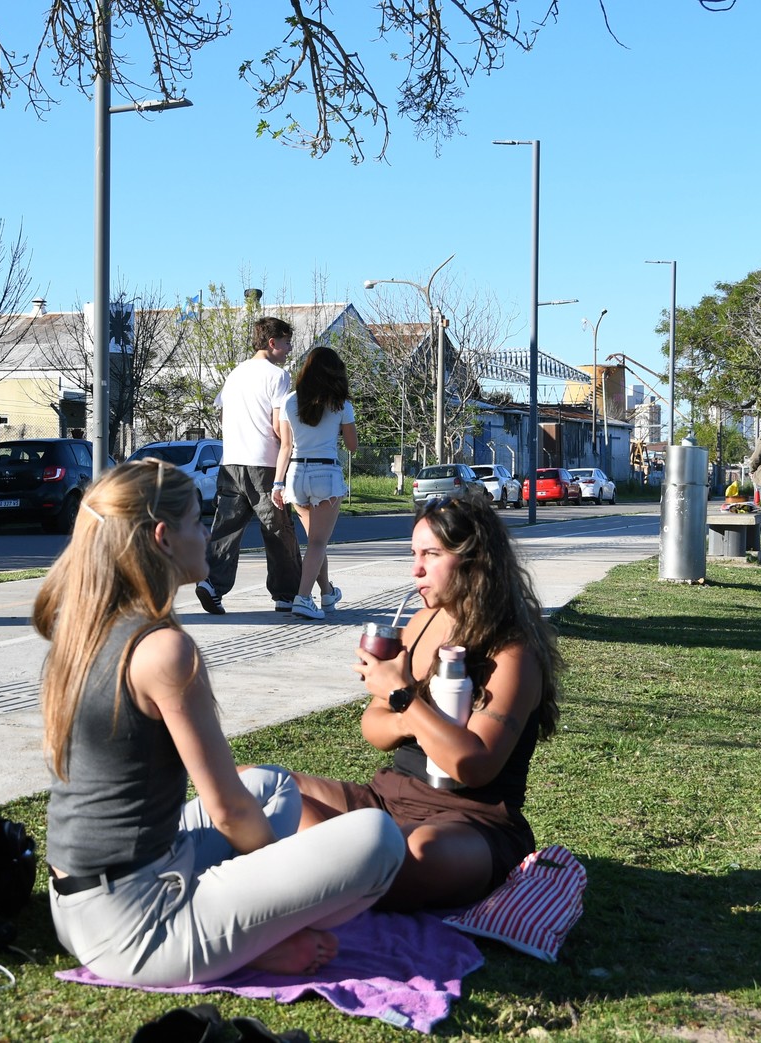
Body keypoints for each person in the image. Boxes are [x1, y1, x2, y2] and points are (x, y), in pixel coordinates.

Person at [35, 460, 404, 986]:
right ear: (163, 538)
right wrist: (279, 882)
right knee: (379, 840)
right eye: (197, 521)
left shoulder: (84, 629)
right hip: (138, 926)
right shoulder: (163, 650)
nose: (207, 532)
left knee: (273, 788)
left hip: (82, 903)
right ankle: (256, 941)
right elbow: (227, 810)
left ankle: (241, 930)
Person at [291, 494, 562, 911]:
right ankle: (340, 856)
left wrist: (403, 698)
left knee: (419, 856)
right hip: (388, 799)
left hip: (470, 823)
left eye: (431, 554)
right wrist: (400, 712)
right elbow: (375, 729)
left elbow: (473, 765)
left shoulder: (512, 652)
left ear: (474, 561)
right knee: (252, 785)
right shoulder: (421, 623)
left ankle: (321, 855)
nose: (415, 569)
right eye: (414, 553)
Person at [195, 316, 304, 615]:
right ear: (272, 342)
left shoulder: (235, 373)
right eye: (286, 342)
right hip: (264, 464)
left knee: (225, 529)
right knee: (278, 529)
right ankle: (286, 594)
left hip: (230, 462)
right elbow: (278, 426)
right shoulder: (277, 376)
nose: (289, 348)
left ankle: (212, 585)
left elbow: (223, 415)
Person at [270, 346, 357, 621]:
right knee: (318, 543)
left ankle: (328, 592)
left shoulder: (290, 402)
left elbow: (285, 447)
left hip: (295, 474)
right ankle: (303, 598)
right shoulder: (341, 404)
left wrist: (277, 484)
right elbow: (353, 446)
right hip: (326, 474)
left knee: (315, 542)